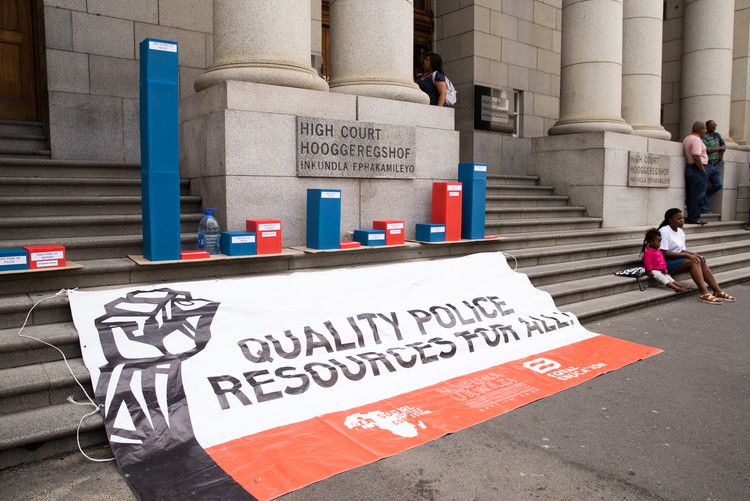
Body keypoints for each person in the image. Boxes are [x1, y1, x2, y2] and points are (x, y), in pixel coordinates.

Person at [658, 208, 736, 304]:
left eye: (682, 218)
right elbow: (664, 253)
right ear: (670, 220)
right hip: (664, 263)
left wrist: (693, 254)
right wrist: (687, 255)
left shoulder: (680, 231)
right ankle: (704, 293)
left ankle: (717, 291)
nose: (682, 220)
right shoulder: (664, 231)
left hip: (677, 260)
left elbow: (681, 250)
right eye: (679, 218)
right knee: (693, 261)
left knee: (700, 259)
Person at [640, 228, 692, 293]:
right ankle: (676, 288)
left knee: (670, 278)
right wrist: (649, 271)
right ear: (651, 242)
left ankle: (681, 286)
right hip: (653, 270)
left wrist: (664, 268)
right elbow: (647, 262)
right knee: (664, 279)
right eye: (658, 241)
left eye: (660, 241)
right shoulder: (648, 252)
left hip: (660, 269)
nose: (660, 243)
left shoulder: (659, 251)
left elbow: (662, 260)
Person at [682, 121, 709, 225]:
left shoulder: (687, 138)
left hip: (691, 168)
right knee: (698, 194)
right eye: (705, 129)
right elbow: (696, 156)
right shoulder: (696, 140)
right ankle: (695, 217)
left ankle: (692, 216)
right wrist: (702, 170)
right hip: (696, 168)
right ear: (700, 129)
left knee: (692, 194)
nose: (705, 131)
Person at [700, 119, 726, 213]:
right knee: (703, 186)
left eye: (715, 125)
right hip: (706, 165)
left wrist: (721, 149)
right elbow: (706, 150)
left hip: (715, 165)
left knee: (719, 185)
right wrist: (719, 148)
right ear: (707, 126)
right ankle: (704, 209)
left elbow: (724, 145)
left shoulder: (717, 135)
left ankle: (701, 197)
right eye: (712, 125)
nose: (714, 126)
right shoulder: (703, 137)